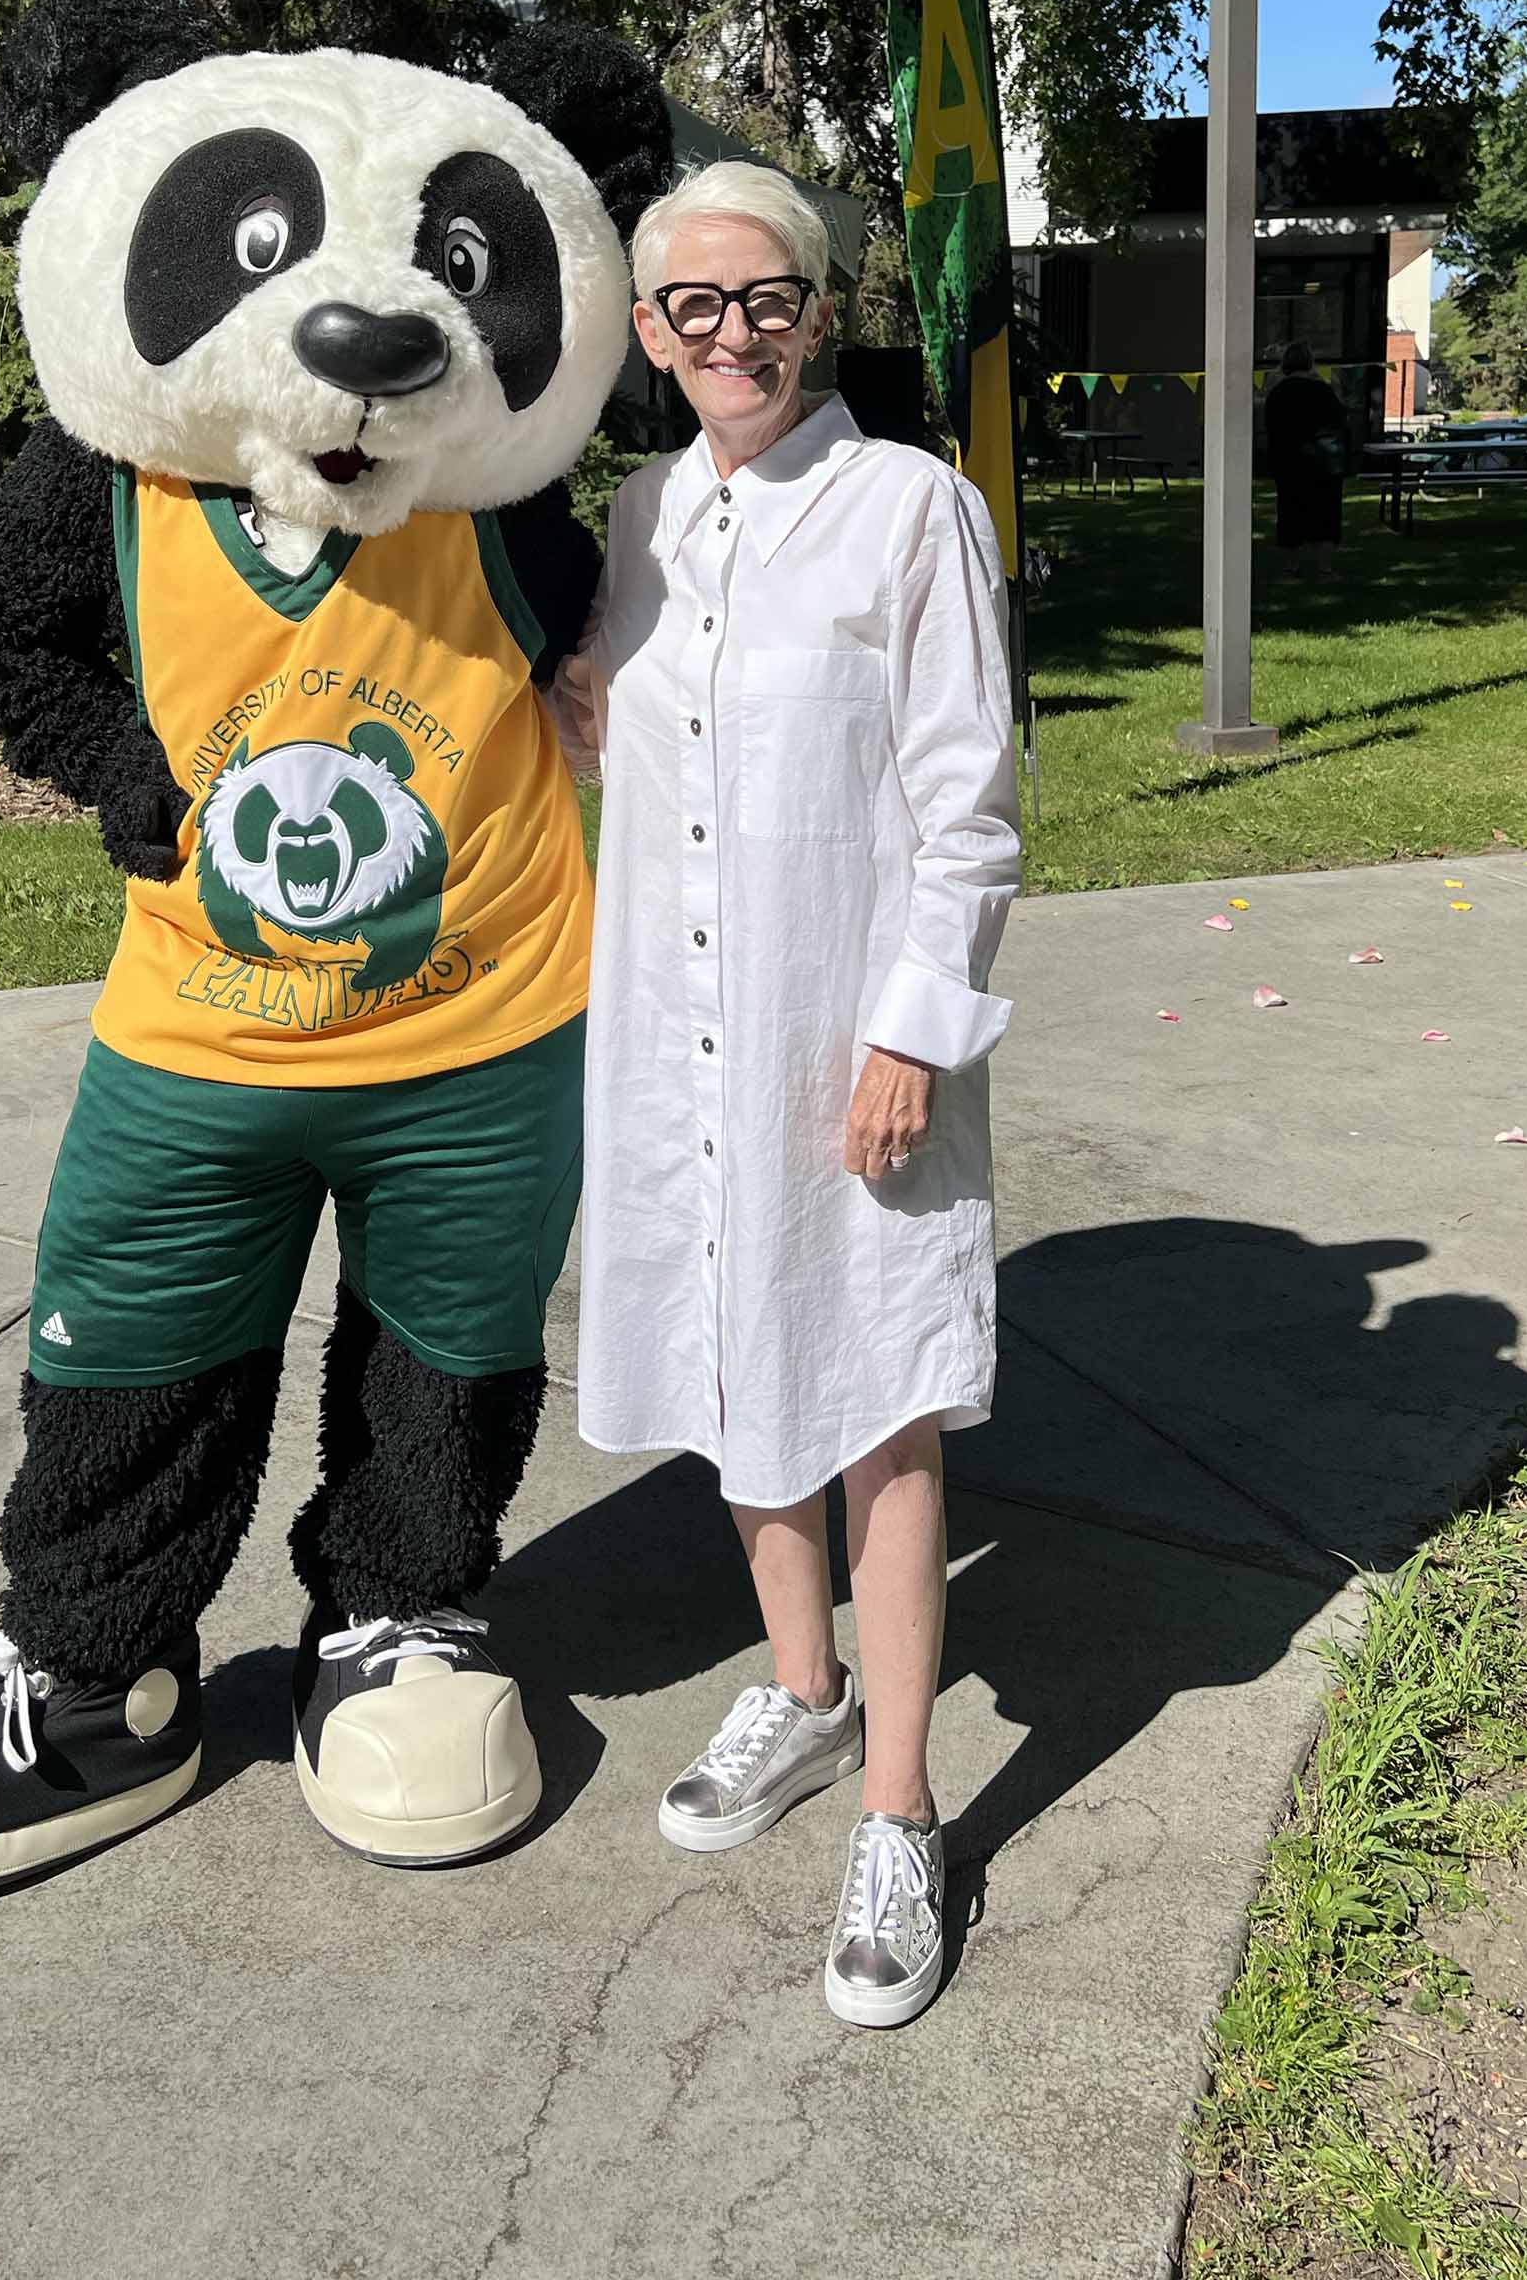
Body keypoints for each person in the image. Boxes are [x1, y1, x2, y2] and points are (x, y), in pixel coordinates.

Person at [554, 162, 1020, 2030]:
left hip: (850, 1044)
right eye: (690, 307)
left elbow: (970, 807)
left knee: (881, 1399)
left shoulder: (913, 512)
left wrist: (914, 1030)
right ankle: (803, 1694)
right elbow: (620, 736)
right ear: (649, 334)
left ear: (819, 311)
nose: (726, 333)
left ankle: (901, 1811)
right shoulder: (644, 514)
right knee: (745, 1365)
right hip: (682, 1043)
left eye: (764, 299)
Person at [1263, 341, 1352, 578]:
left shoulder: (1278, 393)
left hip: (1290, 461)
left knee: (1290, 510)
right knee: (1327, 513)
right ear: (1310, 362)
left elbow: (1270, 426)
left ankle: (1291, 565)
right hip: (1325, 460)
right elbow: (1340, 420)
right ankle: (1325, 566)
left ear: (1285, 364)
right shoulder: (1324, 390)